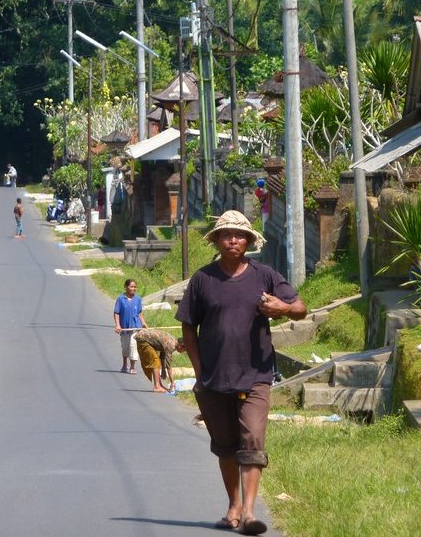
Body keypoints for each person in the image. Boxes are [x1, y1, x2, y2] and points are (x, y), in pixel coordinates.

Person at [175, 210, 307, 535]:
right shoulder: (203, 280)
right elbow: (188, 327)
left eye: (239, 235)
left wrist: (284, 308)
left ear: (248, 241)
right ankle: (233, 505)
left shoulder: (265, 276)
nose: (233, 239)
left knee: (252, 439)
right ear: (217, 240)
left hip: (256, 374)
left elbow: (302, 308)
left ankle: (249, 512)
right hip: (214, 378)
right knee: (225, 445)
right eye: (226, 234)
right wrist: (199, 370)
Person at [113, 278, 148, 374]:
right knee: (125, 347)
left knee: (133, 346)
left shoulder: (138, 299)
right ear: (126, 287)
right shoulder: (120, 299)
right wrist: (118, 325)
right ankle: (125, 364)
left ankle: (132, 367)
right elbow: (116, 313)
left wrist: (143, 322)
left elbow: (140, 312)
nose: (133, 288)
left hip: (135, 327)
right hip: (124, 328)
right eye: (131, 286)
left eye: (135, 287)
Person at [134, 328, 186, 393]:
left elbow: (163, 354)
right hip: (143, 338)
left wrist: (163, 370)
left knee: (156, 361)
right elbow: (168, 365)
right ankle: (157, 386)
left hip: (144, 337)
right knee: (155, 361)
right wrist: (172, 382)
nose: (182, 352)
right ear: (181, 345)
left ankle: (159, 385)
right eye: (184, 350)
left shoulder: (173, 341)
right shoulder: (171, 345)